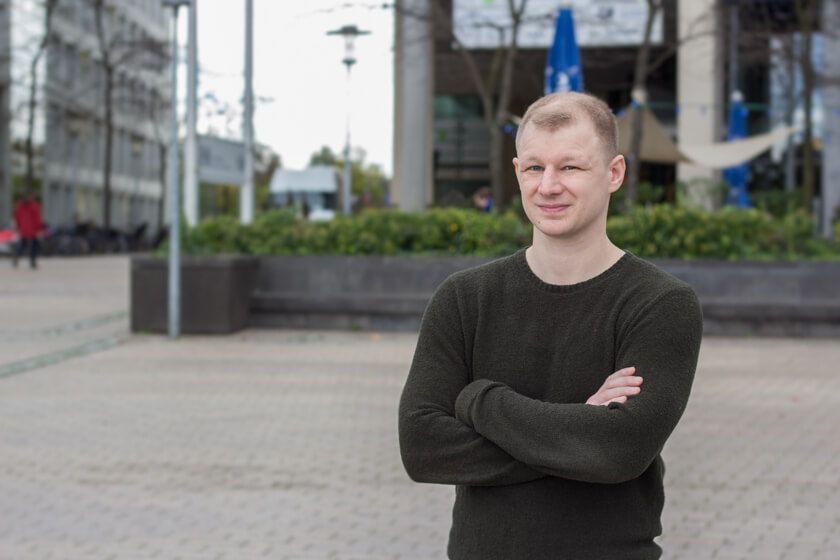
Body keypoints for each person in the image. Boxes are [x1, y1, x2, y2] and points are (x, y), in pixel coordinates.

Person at [398, 92, 703, 559]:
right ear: (518, 171)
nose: (549, 186)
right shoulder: (464, 298)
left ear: (614, 173)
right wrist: (578, 427)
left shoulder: (661, 304)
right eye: (535, 168)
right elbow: (423, 448)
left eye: (571, 167)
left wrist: (481, 400)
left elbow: (619, 450)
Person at [12, 190, 44, 269]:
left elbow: (16, 218)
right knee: (34, 245)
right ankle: (32, 261)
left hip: (23, 229)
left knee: (23, 245)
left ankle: (17, 256)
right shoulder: (34, 205)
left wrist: (18, 227)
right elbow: (38, 218)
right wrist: (39, 229)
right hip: (32, 229)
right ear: (31, 196)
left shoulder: (19, 205)